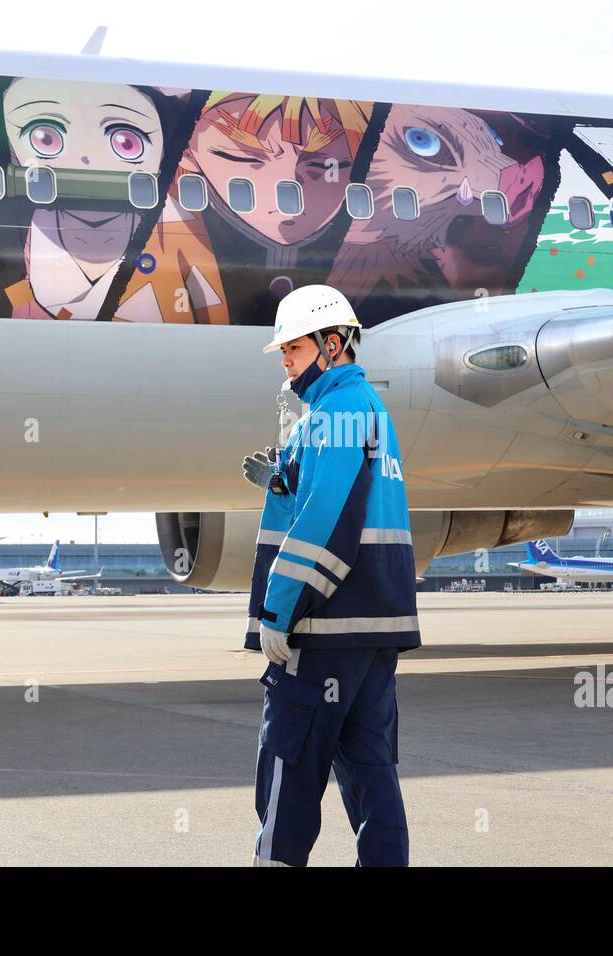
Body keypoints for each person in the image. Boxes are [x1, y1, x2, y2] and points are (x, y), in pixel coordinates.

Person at [240, 283, 420, 867]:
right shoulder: (367, 410)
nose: (286, 362)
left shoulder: (338, 413)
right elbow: (351, 505)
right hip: (371, 632)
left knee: (290, 771)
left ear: (332, 343)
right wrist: (283, 476)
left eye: (292, 348)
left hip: (324, 631)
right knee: (372, 776)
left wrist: (278, 610)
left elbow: (326, 524)